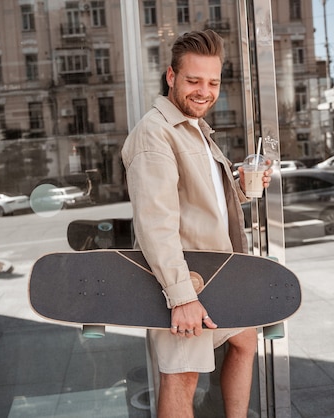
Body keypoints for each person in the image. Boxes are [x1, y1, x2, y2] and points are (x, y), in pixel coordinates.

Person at [121, 30, 272, 418]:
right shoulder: (155, 134)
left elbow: (196, 201)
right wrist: (180, 295)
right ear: (171, 77)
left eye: (213, 82)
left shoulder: (197, 130)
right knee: (181, 377)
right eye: (193, 81)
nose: (204, 91)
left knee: (245, 341)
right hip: (187, 282)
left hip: (217, 274)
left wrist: (238, 189)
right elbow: (155, 222)